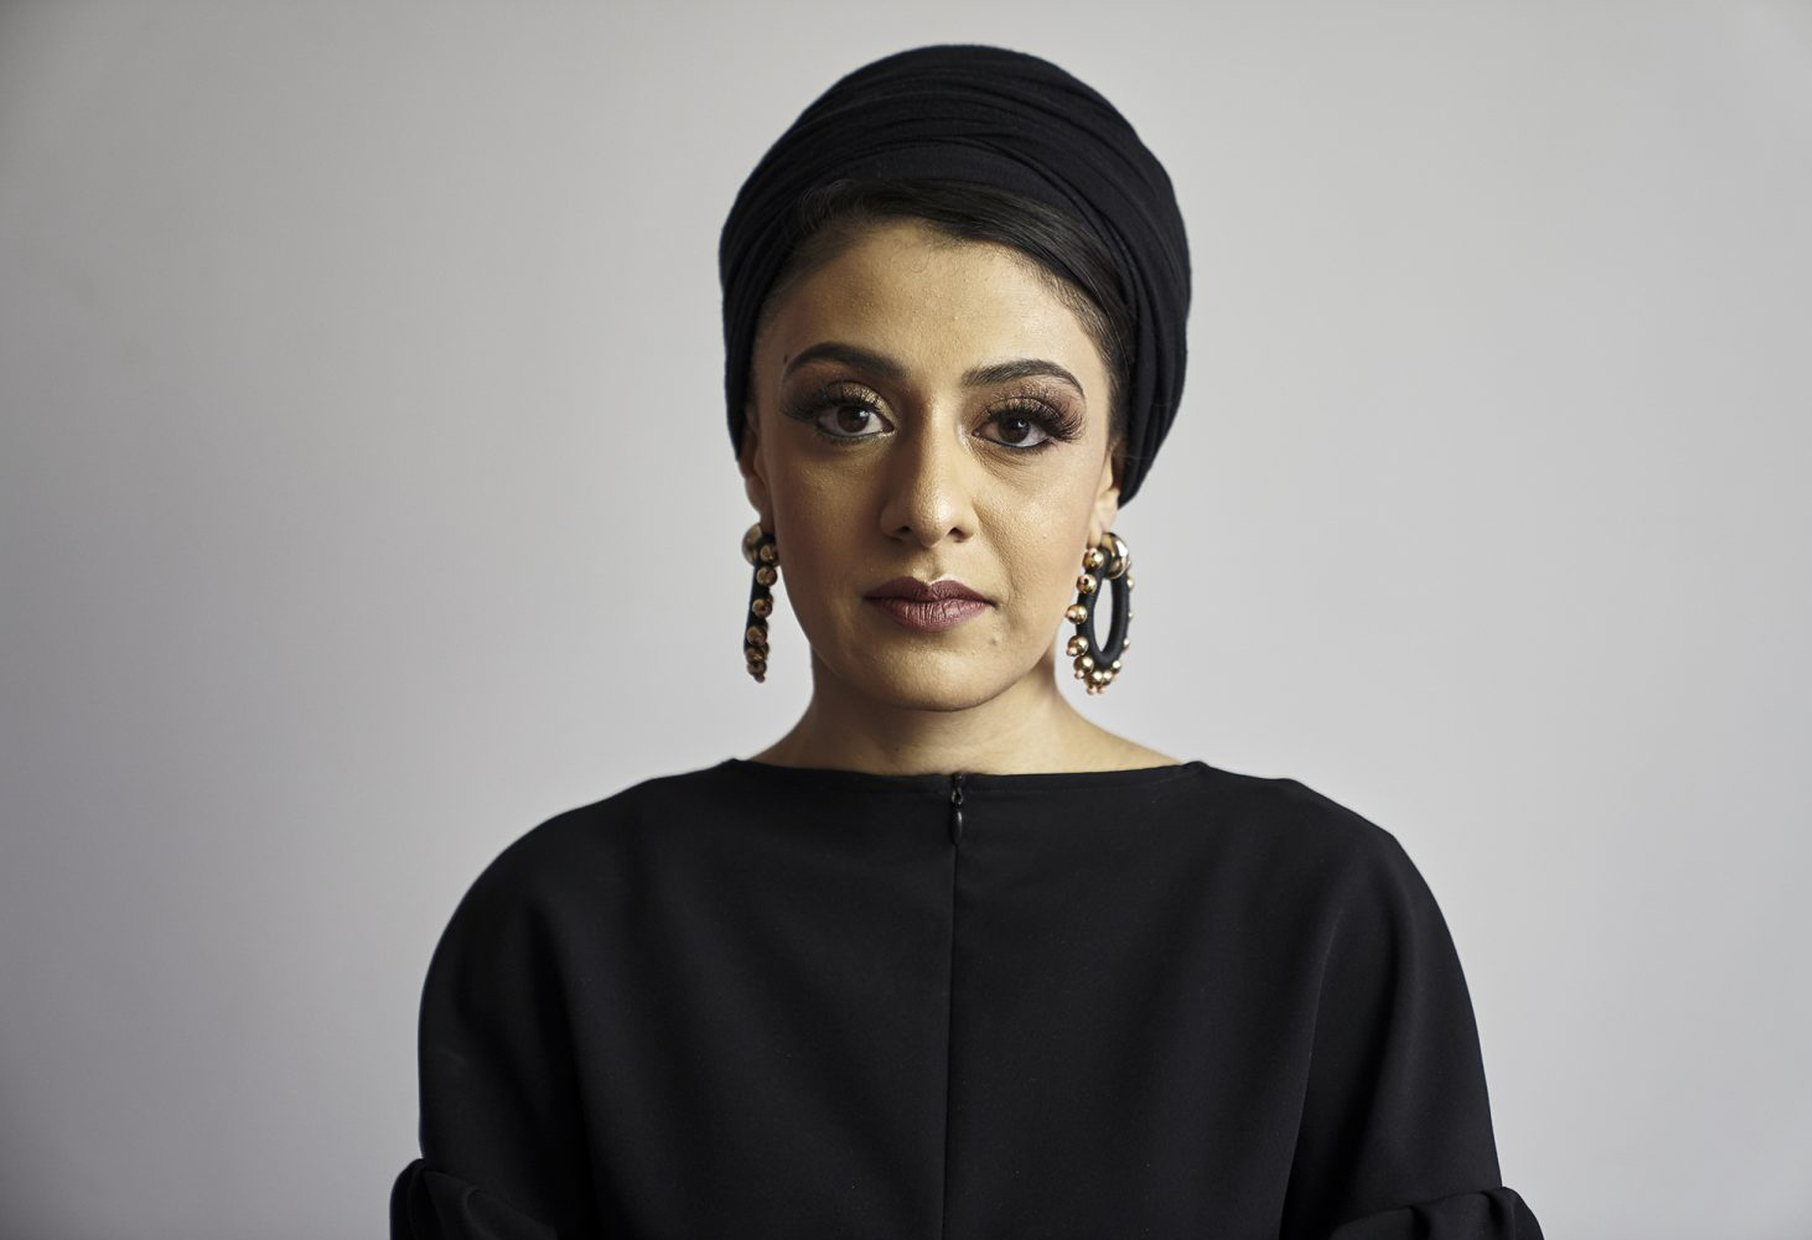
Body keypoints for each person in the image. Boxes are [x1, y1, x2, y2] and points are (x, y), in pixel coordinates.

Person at [389, 43, 1545, 1239]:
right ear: (753, 449)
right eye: (850, 413)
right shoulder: (563, 932)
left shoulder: (1321, 916)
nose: (929, 504)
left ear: (1114, 467)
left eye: (1020, 423)